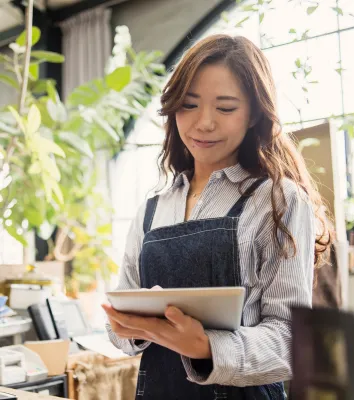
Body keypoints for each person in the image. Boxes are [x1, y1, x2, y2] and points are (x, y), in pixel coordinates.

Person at [103, 34, 332, 399]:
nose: (204, 123)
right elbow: (120, 328)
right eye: (189, 105)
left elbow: (292, 340)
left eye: (225, 108)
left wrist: (207, 347)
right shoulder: (152, 208)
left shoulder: (277, 199)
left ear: (255, 113)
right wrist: (125, 326)